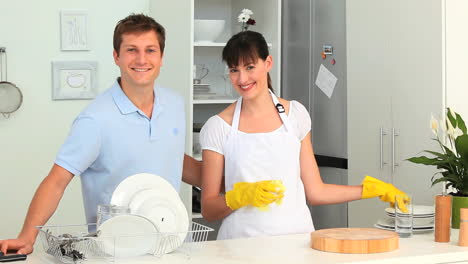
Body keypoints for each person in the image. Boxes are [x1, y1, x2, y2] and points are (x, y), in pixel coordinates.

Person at [0, 14, 201, 254]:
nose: (141, 59)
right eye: (131, 50)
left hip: (171, 245)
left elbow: (173, 157)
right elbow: (56, 182)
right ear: (116, 56)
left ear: (161, 57)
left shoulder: (175, 105)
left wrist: (225, 182)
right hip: (117, 250)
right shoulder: (95, 120)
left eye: (150, 50)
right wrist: (26, 236)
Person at [200, 30, 407, 240]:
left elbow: (316, 191)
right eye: (234, 70)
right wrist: (238, 197)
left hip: (297, 243)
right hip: (240, 246)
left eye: (250, 67)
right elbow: (208, 209)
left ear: (268, 63)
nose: (242, 78)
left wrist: (370, 190)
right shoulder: (218, 127)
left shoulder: (295, 115)